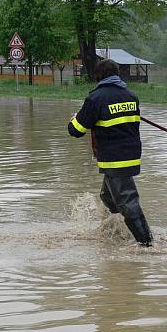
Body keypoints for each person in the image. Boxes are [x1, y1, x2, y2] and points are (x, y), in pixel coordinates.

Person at [68, 59, 153, 247]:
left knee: (127, 201)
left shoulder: (96, 98)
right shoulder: (131, 95)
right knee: (108, 197)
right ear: (117, 75)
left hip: (114, 159)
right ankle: (117, 232)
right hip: (131, 154)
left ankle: (147, 245)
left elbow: (76, 130)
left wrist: (74, 118)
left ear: (98, 76)